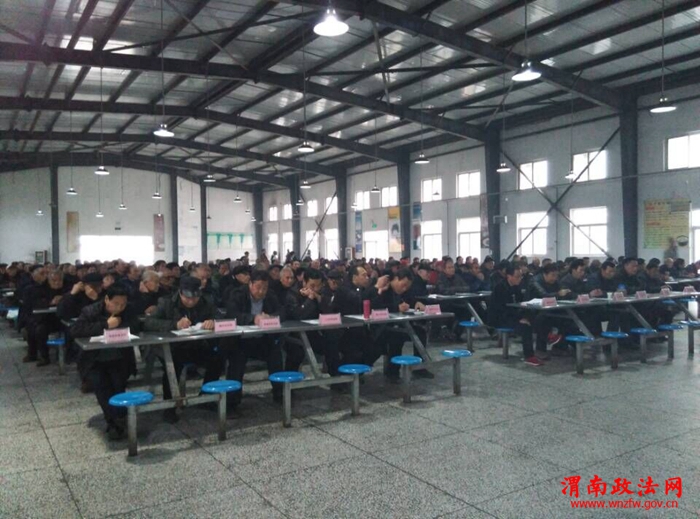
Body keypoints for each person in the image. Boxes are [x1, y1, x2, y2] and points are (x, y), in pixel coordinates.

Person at [144, 276, 220, 422]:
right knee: (172, 366)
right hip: (172, 347)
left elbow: (219, 316)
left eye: (195, 298)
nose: (191, 301)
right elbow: (149, 322)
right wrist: (175, 325)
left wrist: (213, 321)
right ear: (180, 293)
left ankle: (206, 396)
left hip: (196, 345)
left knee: (217, 359)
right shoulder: (166, 302)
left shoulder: (206, 302)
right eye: (187, 298)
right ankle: (169, 406)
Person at [70, 285, 141, 440]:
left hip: (120, 358)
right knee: (102, 388)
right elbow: (76, 330)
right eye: (116, 304)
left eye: (123, 304)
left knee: (118, 385)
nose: (120, 307)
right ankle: (114, 422)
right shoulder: (90, 311)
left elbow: (136, 325)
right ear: (107, 299)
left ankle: (119, 418)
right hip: (94, 360)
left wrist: (121, 326)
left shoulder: (128, 310)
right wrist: (106, 325)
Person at [224, 270, 284, 403]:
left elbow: (282, 311)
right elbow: (232, 314)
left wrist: (271, 317)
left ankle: (279, 393)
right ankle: (232, 400)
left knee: (276, 354)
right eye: (258, 287)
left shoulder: (270, 295)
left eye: (265, 288)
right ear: (250, 284)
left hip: (262, 340)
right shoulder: (238, 294)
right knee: (236, 362)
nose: (261, 291)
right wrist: (253, 318)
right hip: (240, 341)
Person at [488, 265, 541, 366]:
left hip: (511, 315)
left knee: (535, 317)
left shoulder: (516, 287)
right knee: (525, 326)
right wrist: (519, 319)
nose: (520, 279)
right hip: (500, 318)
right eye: (517, 276)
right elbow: (501, 309)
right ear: (509, 276)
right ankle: (529, 356)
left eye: (521, 276)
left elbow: (519, 303)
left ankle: (543, 345)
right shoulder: (500, 288)